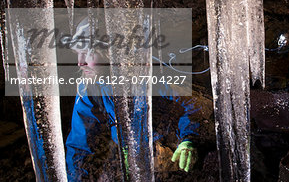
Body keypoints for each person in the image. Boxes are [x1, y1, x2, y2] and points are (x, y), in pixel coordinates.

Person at [65, 17, 199, 181]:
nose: (80, 62)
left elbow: (193, 105)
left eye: (87, 54)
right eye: (78, 53)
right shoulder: (90, 87)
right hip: (135, 161)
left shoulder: (151, 73)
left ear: (109, 53)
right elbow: (79, 145)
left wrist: (190, 140)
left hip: (171, 155)